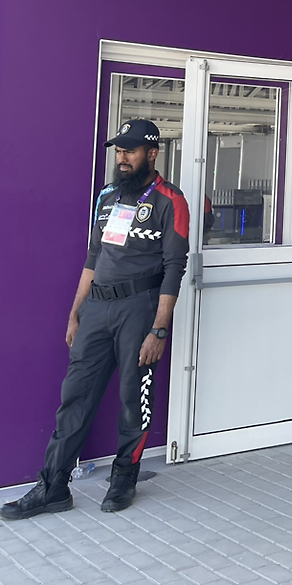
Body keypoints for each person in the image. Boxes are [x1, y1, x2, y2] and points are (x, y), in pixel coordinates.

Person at [1, 120, 190, 520]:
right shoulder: (107, 196)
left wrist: (159, 329)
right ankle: (53, 487)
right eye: (119, 151)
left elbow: (175, 267)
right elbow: (93, 257)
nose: (122, 158)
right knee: (75, 396)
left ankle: (124, 478)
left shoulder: (170, 200)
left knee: (132, 399)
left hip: (139, 309)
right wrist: (76, 312)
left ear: (152, 153)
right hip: (96, 310)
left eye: (130, 151)